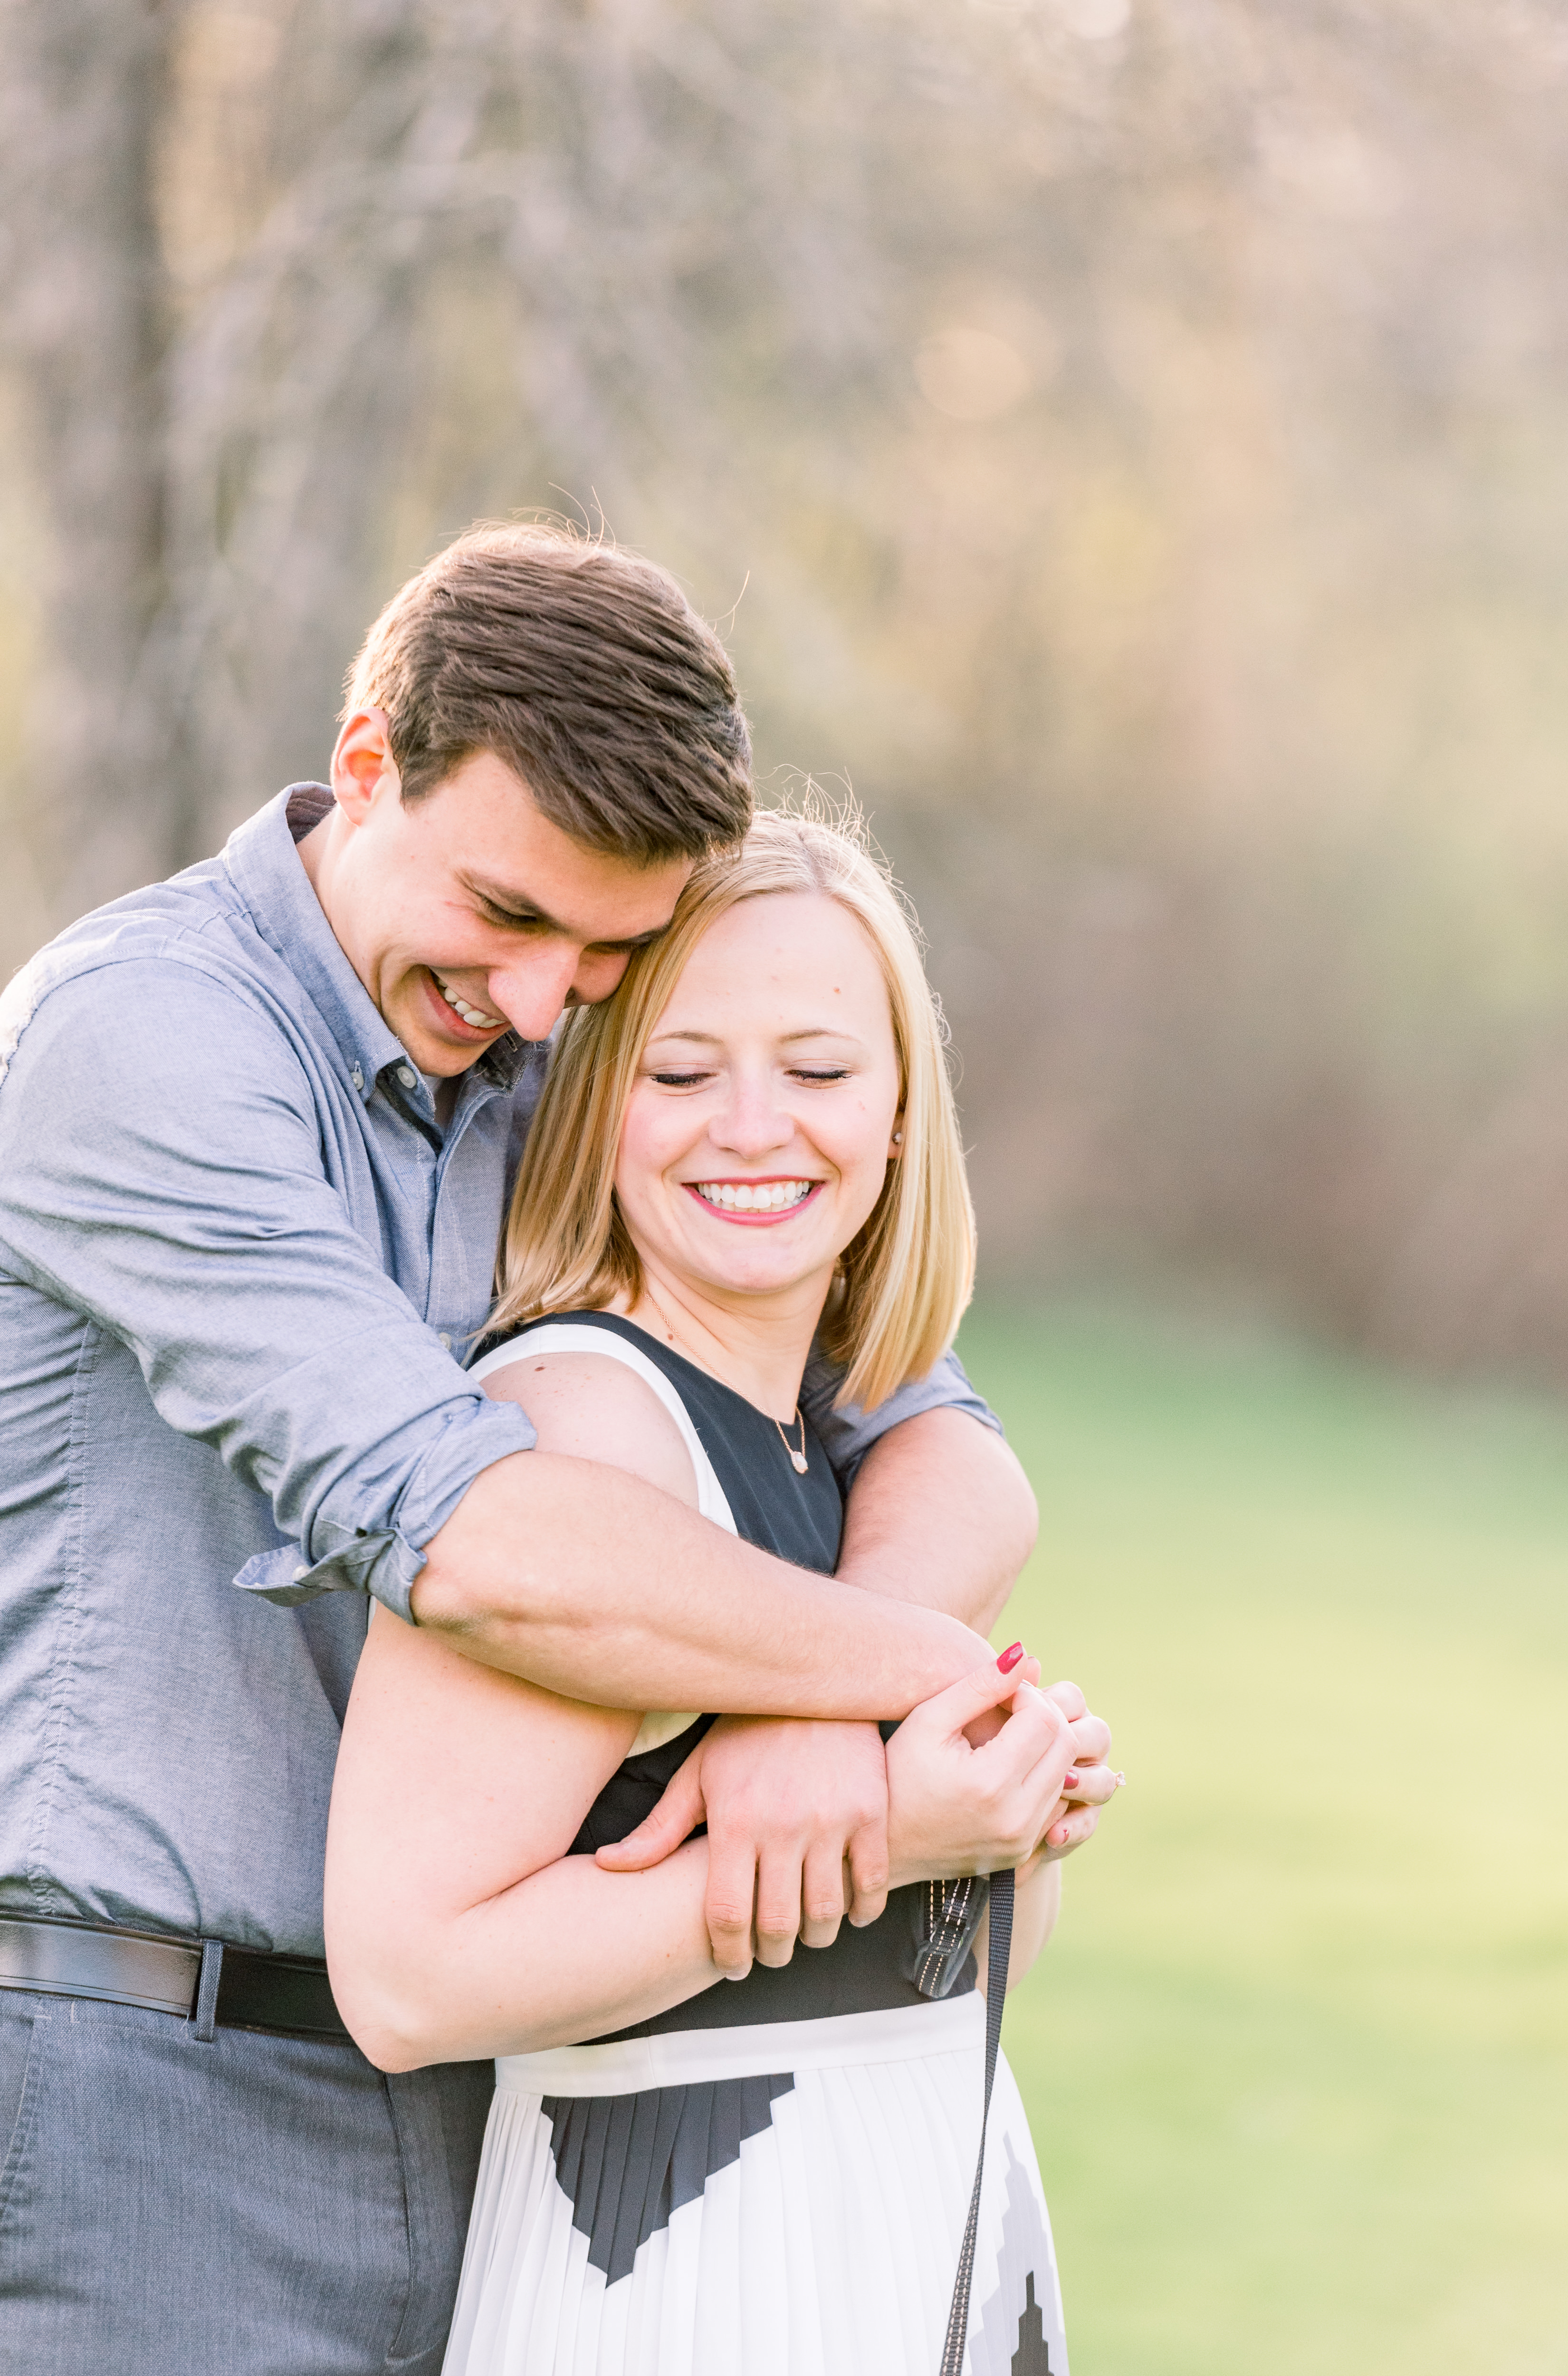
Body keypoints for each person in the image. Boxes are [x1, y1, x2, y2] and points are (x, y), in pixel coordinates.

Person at [0, 526, 1102, 2372]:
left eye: (601, 947)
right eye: (510, 916)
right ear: (368, 762)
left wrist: (795, 1714)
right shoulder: (147, 1045)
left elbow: (935, 1427)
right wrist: (906, 1685)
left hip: (518, 2091)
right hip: (150, 2086)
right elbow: (481, 1540)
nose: (536, 1004)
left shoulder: (559, 1030)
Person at [325, 809, 1118, 2375]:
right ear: (597, 1112)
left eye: (819, 1071)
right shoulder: (588, 1416)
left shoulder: (823, 1424)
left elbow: (889, 1981)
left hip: (904, 2222)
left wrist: (1012, 1810)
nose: (753, 1126)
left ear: (899, 1117)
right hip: (684, 2266)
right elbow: (410, 1976)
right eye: (680, 1074)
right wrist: (895, 1824)